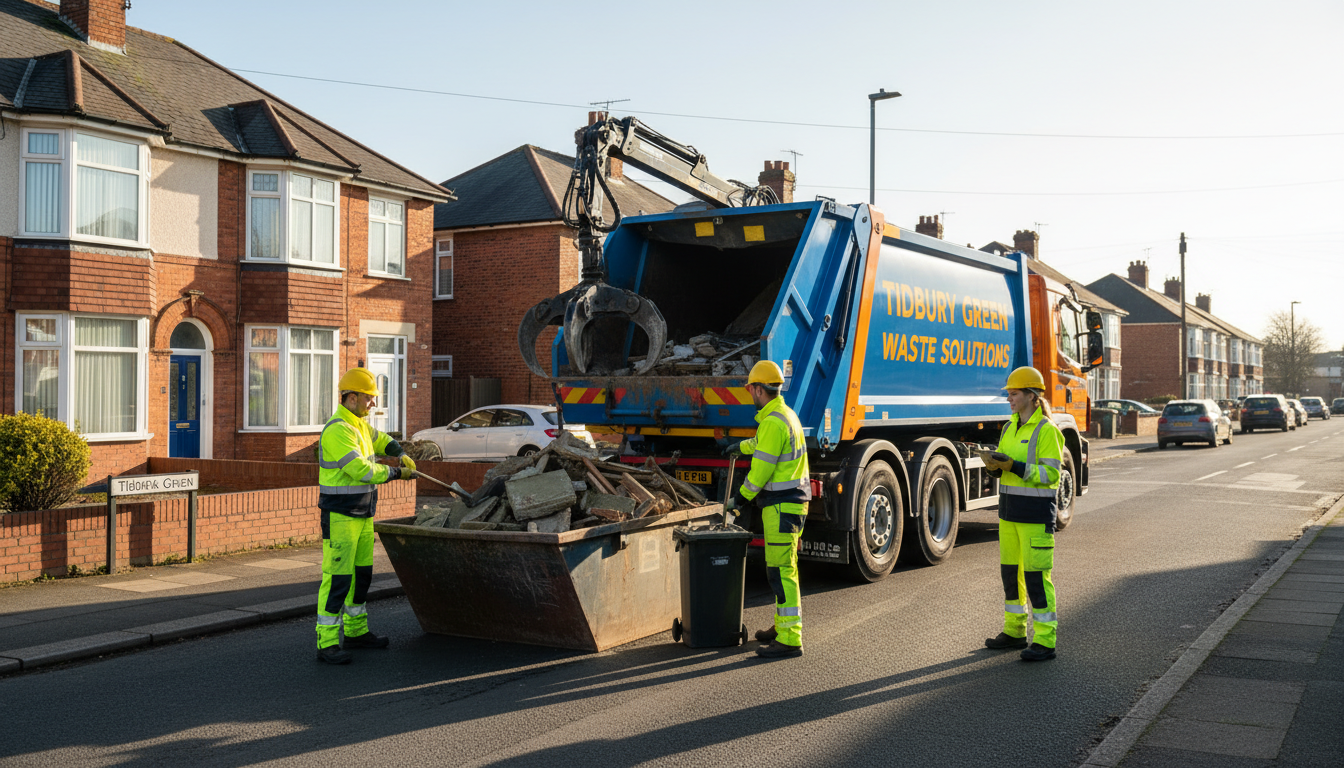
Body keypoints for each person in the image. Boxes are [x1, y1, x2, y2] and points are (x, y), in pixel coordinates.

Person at [314, 367, 417, 665]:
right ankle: (327, 642)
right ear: (352, 397)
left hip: (362, 513)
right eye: (370, 398)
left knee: (361, 578)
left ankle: (356, 633)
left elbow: (379, 437)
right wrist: (397, 472)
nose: (373, 403)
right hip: (340, 516)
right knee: (337, 580)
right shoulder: (337, 429)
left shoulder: (358, 425)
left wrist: (398, 450)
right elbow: (360, 470)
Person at [723, 360, 811, 659]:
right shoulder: (783, 416)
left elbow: (761, 470)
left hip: (781, 507)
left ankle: (790, 638)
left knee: (780, 570)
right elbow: (764, 446)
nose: (750, 394)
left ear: (759, 389)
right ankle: (782, 626)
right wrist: (741, 446)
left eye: (751, 389)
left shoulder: (773, 422)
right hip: (789, 505)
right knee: (784, 567)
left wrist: (740, 498)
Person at [980, 366, 1064, 662]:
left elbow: (1051, 474)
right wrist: (993, 464)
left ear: (1031, 396)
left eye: (1014, 394)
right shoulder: (1008, 427)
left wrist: (1012, 466)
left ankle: (1045, 640)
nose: (1010, 399)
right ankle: (1014, 631)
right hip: (1009, 514)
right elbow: (1006, 467)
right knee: (1010, 575)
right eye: (1009, 395)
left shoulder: (1047, 431)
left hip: (1035, 516)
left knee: (1036, 578)